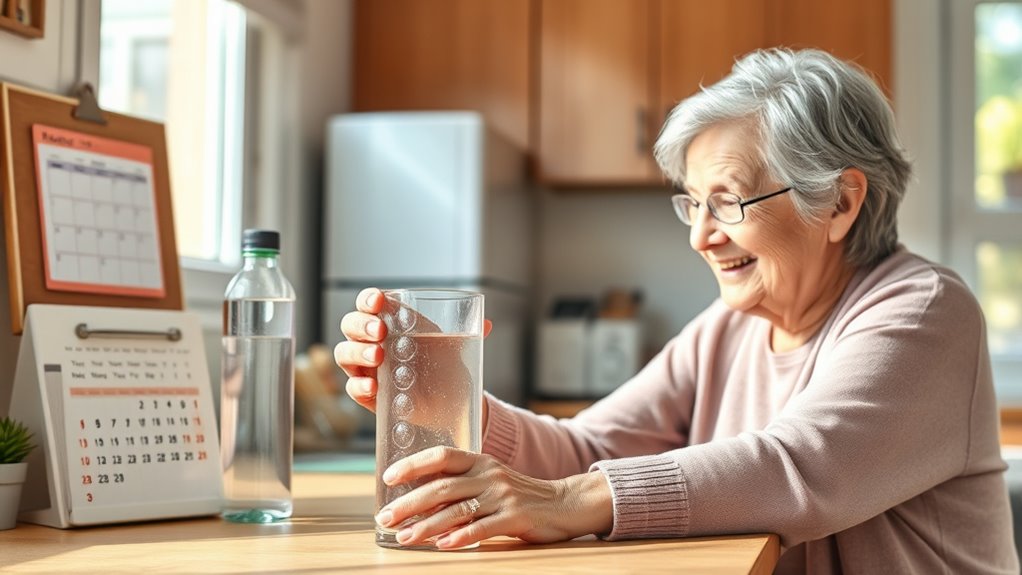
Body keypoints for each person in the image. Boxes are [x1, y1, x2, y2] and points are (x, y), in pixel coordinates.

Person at [333, 48, 1020, 574]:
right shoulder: (728, 330)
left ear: (840, 202)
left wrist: (571, 501)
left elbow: (801, 468)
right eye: (692, 203)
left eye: (727, 200)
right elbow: (589, 448)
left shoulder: (924, 311)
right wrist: (450, 401)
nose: (700, 234)